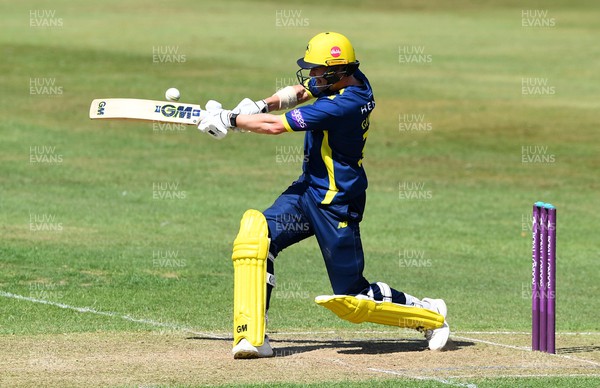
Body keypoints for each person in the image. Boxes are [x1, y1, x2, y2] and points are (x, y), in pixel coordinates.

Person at [198, 32, 450, 359]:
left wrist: (231, 120)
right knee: (256, 237)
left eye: (318, 70)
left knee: (352, 296)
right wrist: (261, 104)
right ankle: (253, 336)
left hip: (336, 202)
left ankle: (430, 314)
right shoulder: (348, 79)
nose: (312, 76)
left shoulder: (346, 104)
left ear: (337, 72)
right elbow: (300, 91)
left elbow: (275, 127)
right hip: (306, 192)